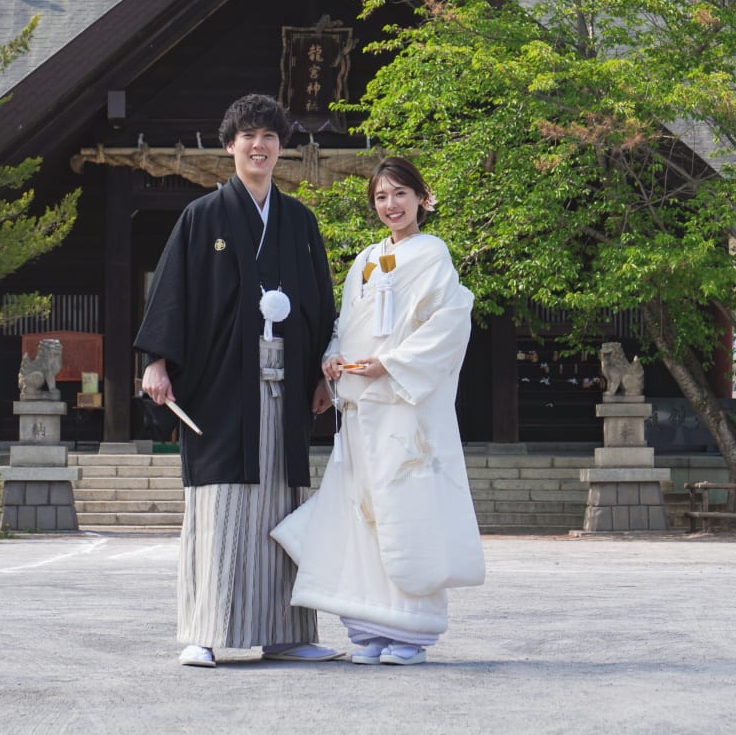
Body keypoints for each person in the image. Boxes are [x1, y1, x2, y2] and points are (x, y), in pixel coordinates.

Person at [135, 93, 341, 668]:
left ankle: (286, 632)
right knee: (220, 503)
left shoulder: (299, 220)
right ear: (230, 147)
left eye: (270, 137)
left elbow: (322, 304)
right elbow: (171, 293)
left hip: (286, 383)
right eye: (248, 136)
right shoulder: (203, 217)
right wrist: (156, 362)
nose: (260, 146)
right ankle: (204, 629)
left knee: (283, 501)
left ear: (281, 149)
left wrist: (325, 371)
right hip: (222, 385)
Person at [272, 156, 485, 666]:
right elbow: (346, 322)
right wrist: (332, 357)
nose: (390, 206)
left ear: (421, 198)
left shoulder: (434, 255)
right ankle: (367, 628)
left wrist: (388, 363)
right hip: (361, 408)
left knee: (407, 510)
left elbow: (450, 323)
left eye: (400, 195)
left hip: (405, 409)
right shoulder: (366, 258)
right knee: (359, 513)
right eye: (381, 197)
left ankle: (409, 633)